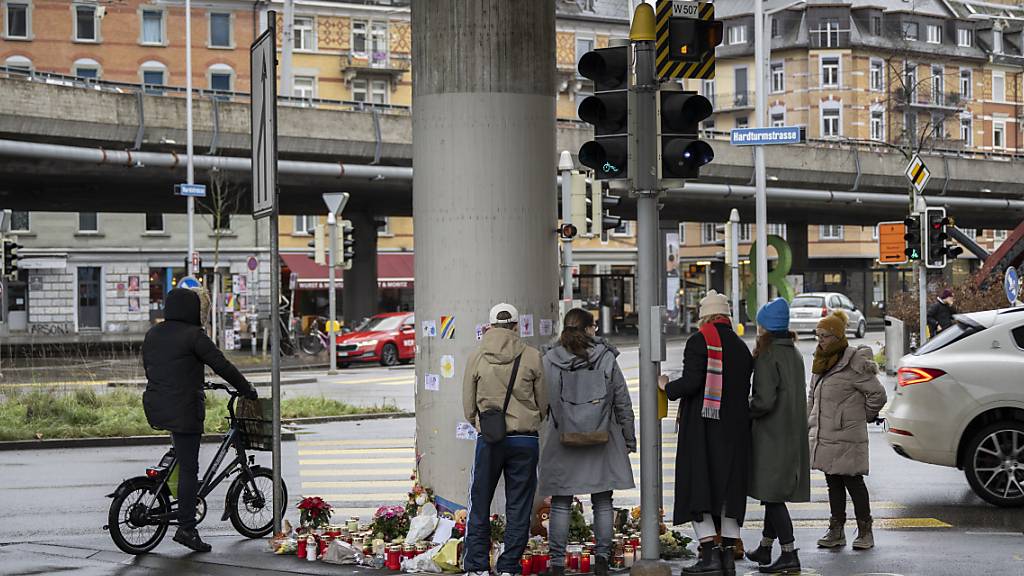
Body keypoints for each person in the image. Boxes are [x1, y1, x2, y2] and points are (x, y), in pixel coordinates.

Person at [142, 287, 257, 553]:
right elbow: (222, 365)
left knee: (181, 458)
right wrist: (246, 388)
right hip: (184, 409)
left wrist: (192, 379)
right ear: (192, 310)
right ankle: (186, 527)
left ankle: (168, 493)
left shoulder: (154, 333)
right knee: (189, 469)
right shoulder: (194, 336)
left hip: (157, 405)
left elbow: (159, 366)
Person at [658, 290, 753, 576]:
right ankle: (726, 558)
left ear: (705, 317)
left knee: (699, 486)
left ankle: (709, 556)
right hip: (736, 431)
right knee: (728, 490)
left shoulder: (699, 341)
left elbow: (691, 382)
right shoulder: (740, 346)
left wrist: (666, 386)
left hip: (703, 430)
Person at [540, 308, 636, 576]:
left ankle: (557, 564)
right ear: (589, 329)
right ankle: (603, 560)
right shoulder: (606, 357)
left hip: (562, 439)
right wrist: (628, 438)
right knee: (603, 500)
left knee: (560, 502)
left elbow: (542, 401)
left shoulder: (549, 359)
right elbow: (622, 400)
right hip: (602, 438)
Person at [462, 303, 547, 576]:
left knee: (479, 501)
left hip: (490, 438)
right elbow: (543, 402)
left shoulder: (476, 355)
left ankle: (477, 566)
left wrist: (480, 423)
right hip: (525, 440)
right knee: (519, 505)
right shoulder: (532, 356)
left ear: (489, 326)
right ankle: (509, 566)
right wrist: (529, 419)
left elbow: (467, 405)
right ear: (515, 325)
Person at [808, 310, 887, 551]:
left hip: (847, 435)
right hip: (826, 434)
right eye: (817, 335)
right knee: (833, 482)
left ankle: (865, 531)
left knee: (853, 482)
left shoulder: (854, 362)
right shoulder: (820, 361)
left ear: (837, 336)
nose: (819, 340)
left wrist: (861, 416)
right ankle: (836, 530)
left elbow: (878, 394)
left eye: (824, 335)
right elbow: (813, 396)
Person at [744, 299, 810, 574]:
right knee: (773, 492)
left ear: (765, 327)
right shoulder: (793, 352)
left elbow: (764, 400)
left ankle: (788, 552)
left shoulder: (768, 355)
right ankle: (765, 546)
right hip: (791, 433)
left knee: (772, 496)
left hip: (772, 435)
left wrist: (746, 408)